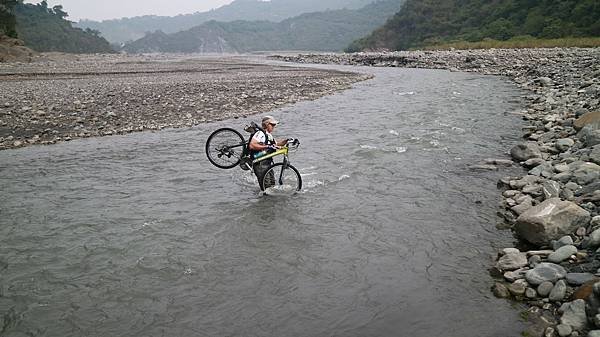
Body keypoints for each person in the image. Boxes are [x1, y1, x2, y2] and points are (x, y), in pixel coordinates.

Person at [248, 115, 288, 191]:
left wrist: (286, 141)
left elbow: (275, 144)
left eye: (274, 125)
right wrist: (267, 147)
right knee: (266, 189)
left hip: (268, 163)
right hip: (260, 164)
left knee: (272, 186)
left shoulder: (268, 135)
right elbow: (252, 145)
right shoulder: (260, 133)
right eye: (272, 125)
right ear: (266, 124)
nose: (274, 126)